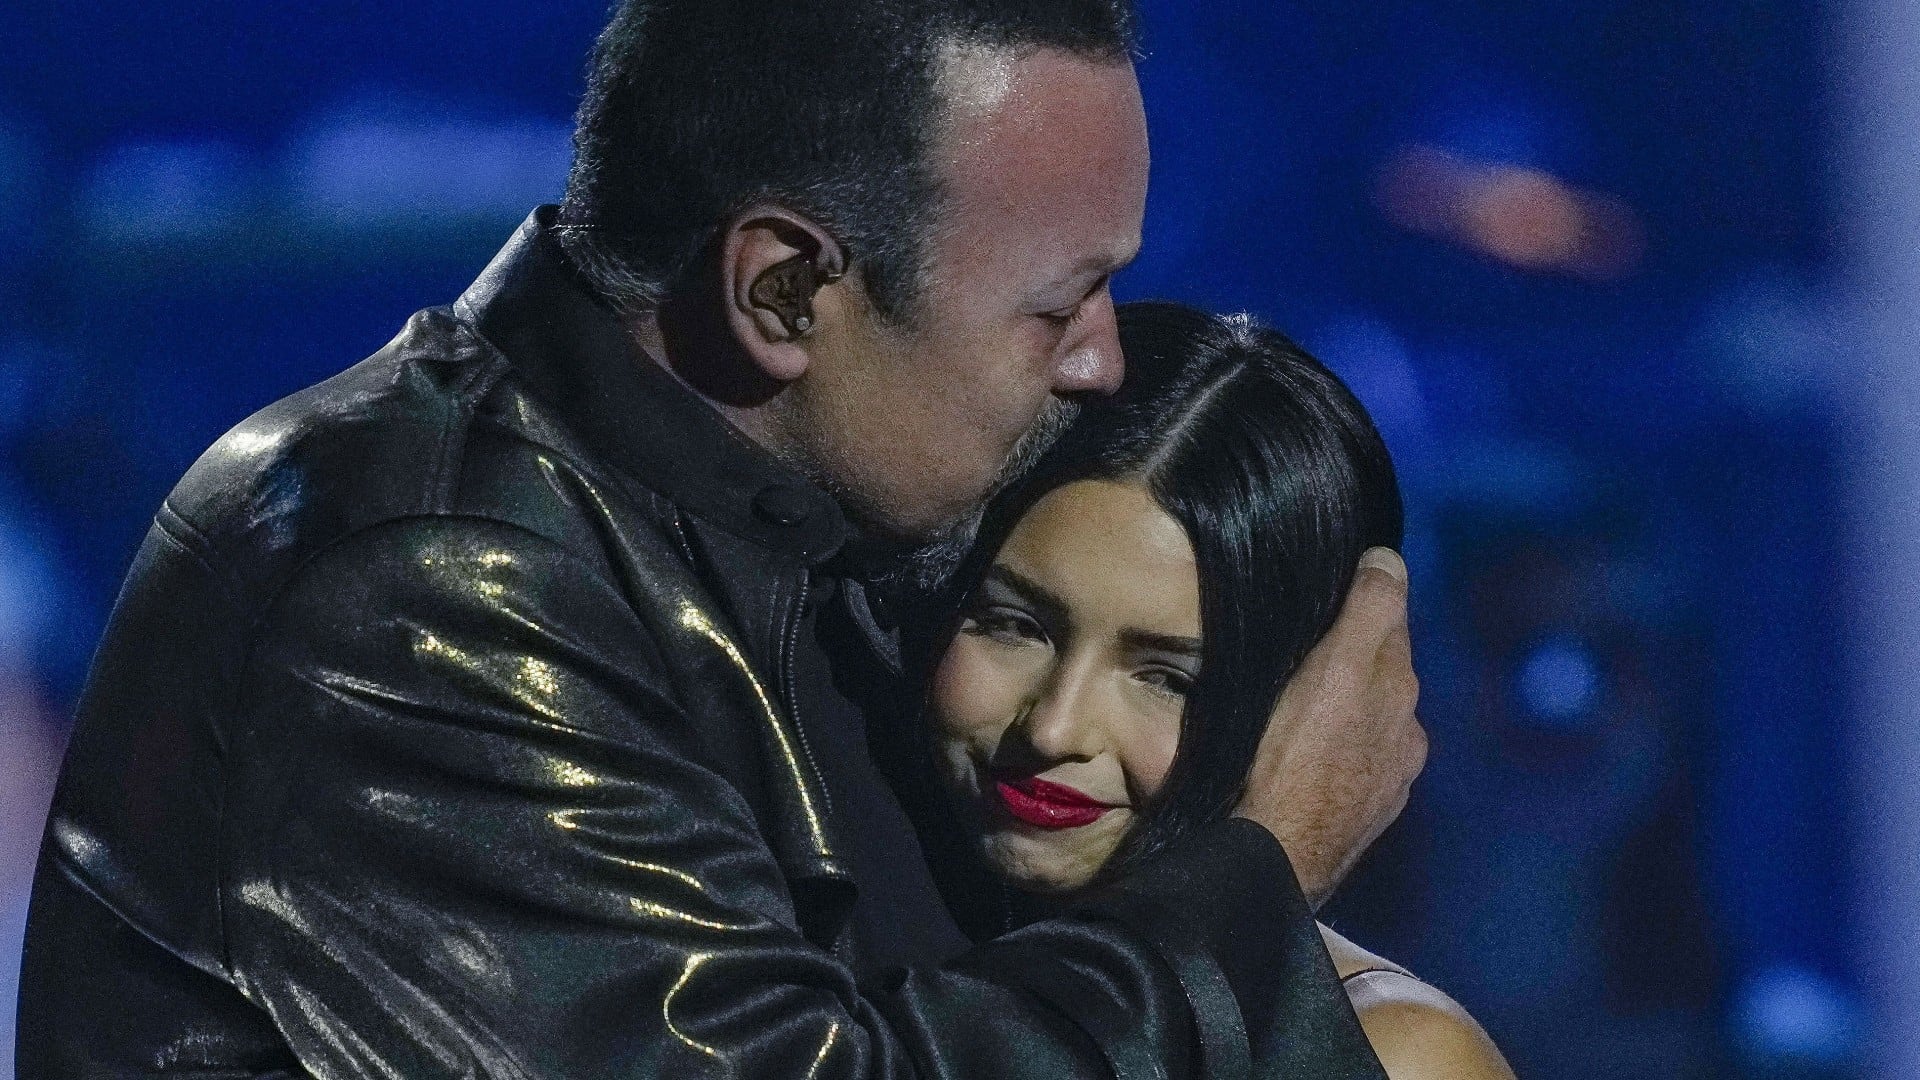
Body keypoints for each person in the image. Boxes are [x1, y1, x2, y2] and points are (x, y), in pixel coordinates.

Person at [18, 2, 1425, 1077]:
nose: (1103, 365)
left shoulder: (812, 549)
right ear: (785, 289)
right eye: (1060, 305)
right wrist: (1254, 880)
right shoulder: (432, 587)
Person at [922, 302, 1511, 1079]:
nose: (1057, 729)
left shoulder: (1398, 1054)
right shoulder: (803, 963)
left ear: (1301, 705)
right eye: (1015, 626)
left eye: (1167, 678)